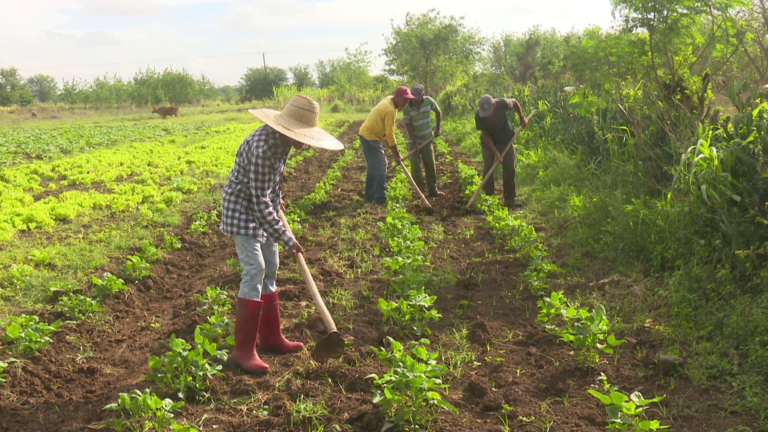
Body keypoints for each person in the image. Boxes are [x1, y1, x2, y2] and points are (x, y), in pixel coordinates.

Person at [220, 95, 344, 373]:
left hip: (261, 205)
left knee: (271, 267)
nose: (304, 143)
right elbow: (259, 202)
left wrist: (278, 198)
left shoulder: (281, 142)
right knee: (255, 269)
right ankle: (243, 350)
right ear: (287, 129)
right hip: (243, 211)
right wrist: (287, 239)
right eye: (303, 136)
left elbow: (268, 187)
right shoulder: (264, 148)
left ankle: (271, 337)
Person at [358, 86, 415, 204]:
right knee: (381, 166)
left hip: (364, 133)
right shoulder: (390, 110)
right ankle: (379, 198)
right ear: (397, 97)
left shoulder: (390, 99)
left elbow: (387, 133)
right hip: (371, 136)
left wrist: (392, 149)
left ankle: (370, 196)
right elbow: (390, 134)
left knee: (374, 167)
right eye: (405, 100)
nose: (406, 103)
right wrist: (397, 155)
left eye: (408, 101)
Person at [475, 94, 528, 209]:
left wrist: (522, 117)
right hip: (489, 144)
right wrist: (495, 152)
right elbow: (485, 135)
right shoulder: (478, 115)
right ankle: (488, 199)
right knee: (488, 167)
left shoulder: (502, 104)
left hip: (506, 140)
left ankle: (509, 199)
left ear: (494, 106)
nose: (487, 116)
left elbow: (514, 102)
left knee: (509, 167)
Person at [402, 84, 444, 197]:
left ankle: (432, 190)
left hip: (427, 138)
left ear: (423, 95)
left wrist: (438, 129)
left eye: (418, 96)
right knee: (415, 167)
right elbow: (408, 125)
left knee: (430, 164)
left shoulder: (429, 101)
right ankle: (419, 191)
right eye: (413, 96)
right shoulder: (407, 107)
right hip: (413, 140)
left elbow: (438, 112)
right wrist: (415, 141)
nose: (415, 98)